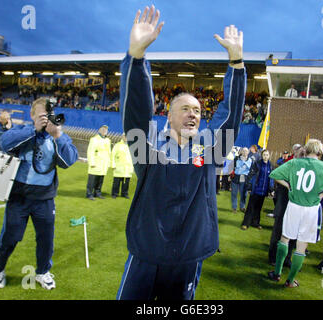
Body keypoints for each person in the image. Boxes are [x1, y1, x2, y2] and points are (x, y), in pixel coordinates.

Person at [116, 6, 246, 300]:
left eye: (198, 111)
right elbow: (135, 114)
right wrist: (136, 59)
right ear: (169, 116)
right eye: (185, 109)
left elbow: (230, 119)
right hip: (147, 252)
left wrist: (236, 64)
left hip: (188, 255)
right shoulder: (148, 146)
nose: (193, 115)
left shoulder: (207, 150)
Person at [0, 97, 78, 290]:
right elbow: (4, 142)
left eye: (48, 116)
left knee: (46, 240)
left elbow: (70, 159)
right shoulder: (23, 131)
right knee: (10, 237)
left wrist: (58, 135)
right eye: (41, 116)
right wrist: (34, 130)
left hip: (44, 199)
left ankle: (43, 272)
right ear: (32, 115)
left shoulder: (56, 136)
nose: (45, 120)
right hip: (19, 197)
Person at [267, 139, 323, 288]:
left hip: (294, 206)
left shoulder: (295, 163)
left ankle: (277, 273)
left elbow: (275, 174)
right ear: (320, 152)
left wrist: (289, 185)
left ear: (306, 150)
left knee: (285, 238)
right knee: (301, 245)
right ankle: (290, 281)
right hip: (311, 209)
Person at [241, 149, 274, 230]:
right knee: (250, 207)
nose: (265, 156)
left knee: (258, 208)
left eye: (267, 155)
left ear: (269, 156)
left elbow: (272, 178)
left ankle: (255, 223)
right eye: (264, 155)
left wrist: (271, 189)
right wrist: (249, 186)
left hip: (263, 191)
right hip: (255, 190)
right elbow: (251, 175)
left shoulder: (271, 166)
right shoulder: (257, 164)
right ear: (261, 156)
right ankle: (246, 223)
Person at [86, 125, 111, 200]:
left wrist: (108, 163)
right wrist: (92, 163)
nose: (104, 131)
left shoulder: (107, 140)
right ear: (99, 130)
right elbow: (90, 152)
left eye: (106, 130)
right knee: (92, 180)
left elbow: (109, 153)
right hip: (96, 163)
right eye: (103, 129)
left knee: (100, 180)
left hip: (103, 164)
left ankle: (97, 193)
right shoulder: (94, 139)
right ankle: (89, 194)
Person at [111, 134, 134, 199]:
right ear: (122, 136)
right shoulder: (117, 145)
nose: (126, 137)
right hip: (119, 167)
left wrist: (132, 167)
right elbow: (113, 155)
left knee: (126, 182)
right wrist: (113, 164)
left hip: (127, 168)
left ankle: (124, 193)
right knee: (116, 182)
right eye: (125, 136)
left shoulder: (131, 146)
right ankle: (114, 193)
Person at [231, 148, 252, 213]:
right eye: (243, 150)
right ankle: (234, 208)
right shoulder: (237, 158)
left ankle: (242, 207)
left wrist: (249, 178)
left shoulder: (250, 160)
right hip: (236, 178)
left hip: (244, 178)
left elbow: (252, 170)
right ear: (241, 151)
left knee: (243, 194)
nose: (245, 152)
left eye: (246, 151)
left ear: (248, 152)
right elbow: (232, 167)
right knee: (234, 193)